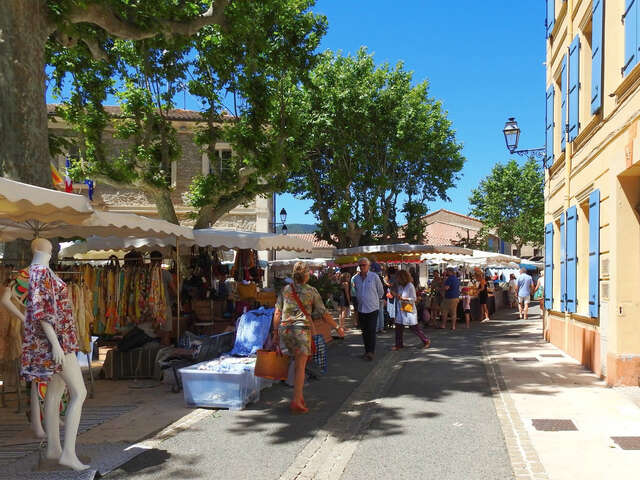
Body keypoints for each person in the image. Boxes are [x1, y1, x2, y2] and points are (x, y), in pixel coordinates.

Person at [272, 262, 344, 414]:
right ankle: (297, 400)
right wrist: (337, 327)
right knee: (300, 367)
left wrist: (274, 334)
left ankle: (299, 397)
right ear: (306, 275)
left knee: (295, 361)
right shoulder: (311, 291)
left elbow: (277, 313)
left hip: (285, 330)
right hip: (301, 331)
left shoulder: (285, 290)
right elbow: (324, 313)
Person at [352, 257, 385, 361]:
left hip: (372, 308)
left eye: (364, 265)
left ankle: (371, 352)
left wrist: (375, 300)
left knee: (371, 330)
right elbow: (355, 292)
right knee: (364, 331)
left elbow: (381, 291)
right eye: (360, 265)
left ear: (368, 266)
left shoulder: (374, 276)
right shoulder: (355, 278)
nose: (362, 267)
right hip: (361, 308)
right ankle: (367, 351)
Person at [392, 270, 431, 350]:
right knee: (398, 328)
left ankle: (426, 341)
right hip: (401, 309)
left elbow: (414, 299)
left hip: (409, 310)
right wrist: (394, 294)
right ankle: (398, 345)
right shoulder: (399, 286)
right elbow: (397, 294)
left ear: (402, 278)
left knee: (414, 328)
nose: (397, 279)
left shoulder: (410, 286)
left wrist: (403, 298)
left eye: (398, 278)